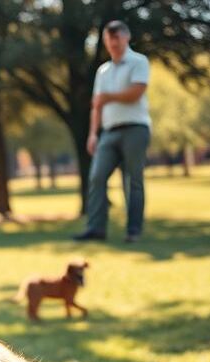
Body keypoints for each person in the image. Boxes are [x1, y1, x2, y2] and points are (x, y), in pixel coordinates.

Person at [74, 20, 151, 243]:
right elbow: (97, 104)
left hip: (136, 129)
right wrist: (92, 133)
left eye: (116, 38)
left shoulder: (138, 62)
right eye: (109, 40)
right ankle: (96, 229)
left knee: (132, 180)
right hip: (109, 132)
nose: (113, 43)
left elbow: (136, 92)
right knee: (97, 177)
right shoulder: (103, 71)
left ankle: (133, 230)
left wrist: (110, 97)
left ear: (126, 37)